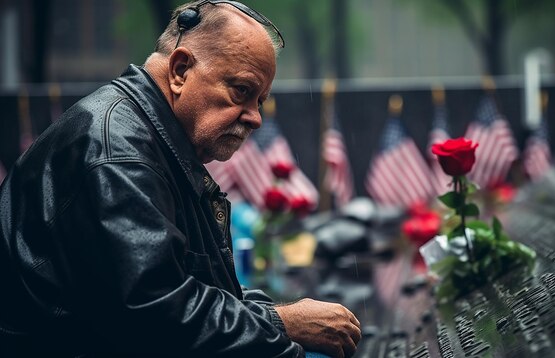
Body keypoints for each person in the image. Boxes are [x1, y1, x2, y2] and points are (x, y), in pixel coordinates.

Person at [0, 1, 361, 357]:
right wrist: (283, 322)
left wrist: (285, 317)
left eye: (260, 101)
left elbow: (194, 289)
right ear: (180, 70)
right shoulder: (118, 152)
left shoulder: (154, 139)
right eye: (242, 91)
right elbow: (156, 316)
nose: (255, 119)